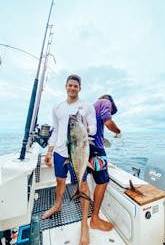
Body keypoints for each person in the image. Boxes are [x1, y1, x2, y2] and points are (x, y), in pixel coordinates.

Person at [42, 74, 96, 245]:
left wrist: (83, 129)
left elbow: (93, 129)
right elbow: (56, 131)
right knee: (60, 181)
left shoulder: (86, 107)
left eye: (76, 86)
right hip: (60, 151)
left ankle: (84, 225)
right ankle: (57, 205)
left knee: (84, 185)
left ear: (80, 88)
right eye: (70, 85)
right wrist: (49, 152)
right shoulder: (57, 107)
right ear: (66, 86)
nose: (73, 88)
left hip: (79, 151)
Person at [88, 94, 121, 231]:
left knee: (86, 174)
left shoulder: (92, 106)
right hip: (96, 149)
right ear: (111, 103)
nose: (111, 111)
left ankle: (78, 193)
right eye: (112, 110)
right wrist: (118, 132)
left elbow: (96, 125)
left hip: (86, 146)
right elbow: (107, 121)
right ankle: (95, 218)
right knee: (102, 182)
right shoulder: (105, 101)